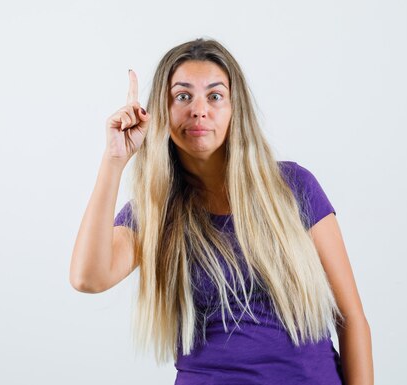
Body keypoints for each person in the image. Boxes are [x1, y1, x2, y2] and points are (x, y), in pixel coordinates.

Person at [69, 38, 373, 385]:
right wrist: (114, 160)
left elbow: (350, 318)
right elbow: (87, 278)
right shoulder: (155, 210)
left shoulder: (293, 186)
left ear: (234, 109)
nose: (199, 109)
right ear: (161, 112)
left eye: (214, 96)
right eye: (183, 96)